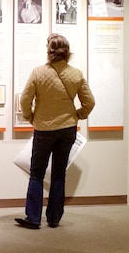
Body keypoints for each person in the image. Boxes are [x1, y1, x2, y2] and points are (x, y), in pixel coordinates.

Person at [15, 34, 95, 229]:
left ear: (49, 52)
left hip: (43, 129)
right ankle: (54, 218)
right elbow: (90, 102)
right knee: (59, 174)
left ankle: (33, 218)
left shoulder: (38, 73)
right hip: (67, 129)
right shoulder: (76, 74)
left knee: (37, 173)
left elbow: (25, 100)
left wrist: (29, 116)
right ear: (67, 52)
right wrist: (78, 115)